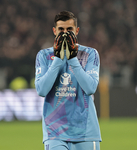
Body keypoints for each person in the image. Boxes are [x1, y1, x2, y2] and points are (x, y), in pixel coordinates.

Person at [35, 11, 101, 150]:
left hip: (85, 132)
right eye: (61, 29)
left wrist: (72, 59)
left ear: (77, 31)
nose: (65, 33)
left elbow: (90, 88)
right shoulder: (44, 55)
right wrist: (58, 60)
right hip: (55, 132)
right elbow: (41, 90)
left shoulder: (90, 54)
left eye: (69, 29)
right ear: (54, 31)